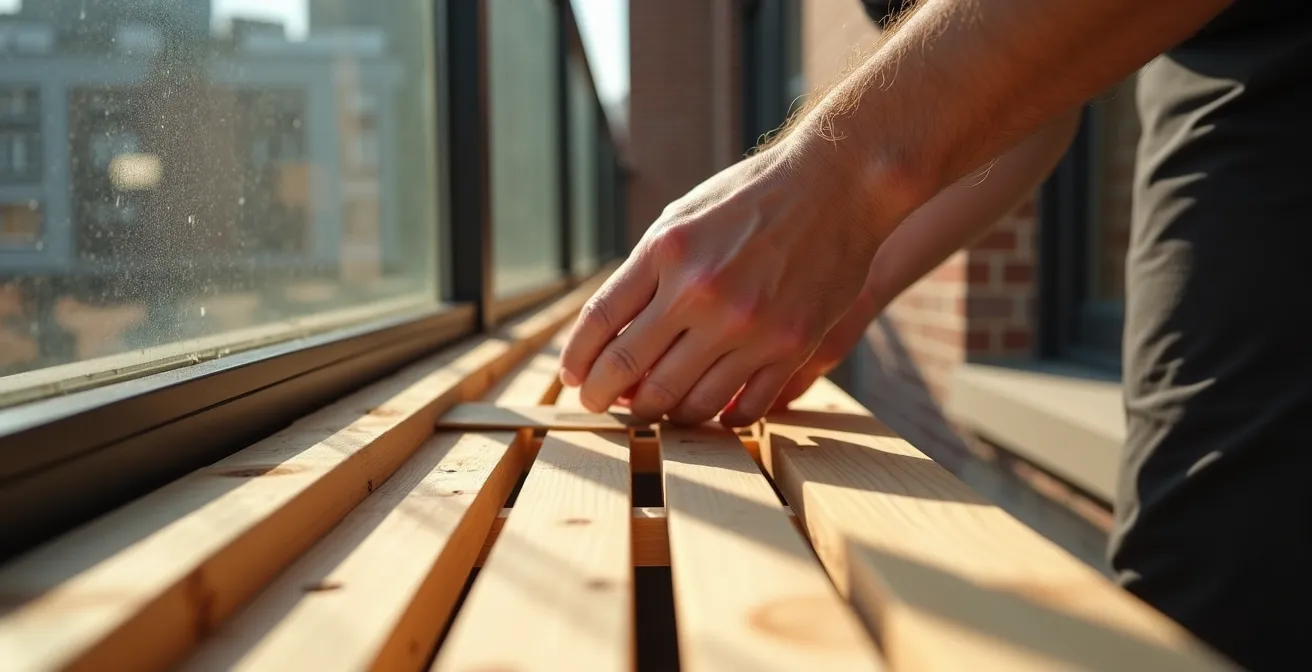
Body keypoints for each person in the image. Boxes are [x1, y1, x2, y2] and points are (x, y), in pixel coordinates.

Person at [558, 0, 1312, 669]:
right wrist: (857, 273)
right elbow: (1034, 90)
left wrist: (838, 177)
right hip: (1215, 58)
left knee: (1234, 581)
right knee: (1194, 572)